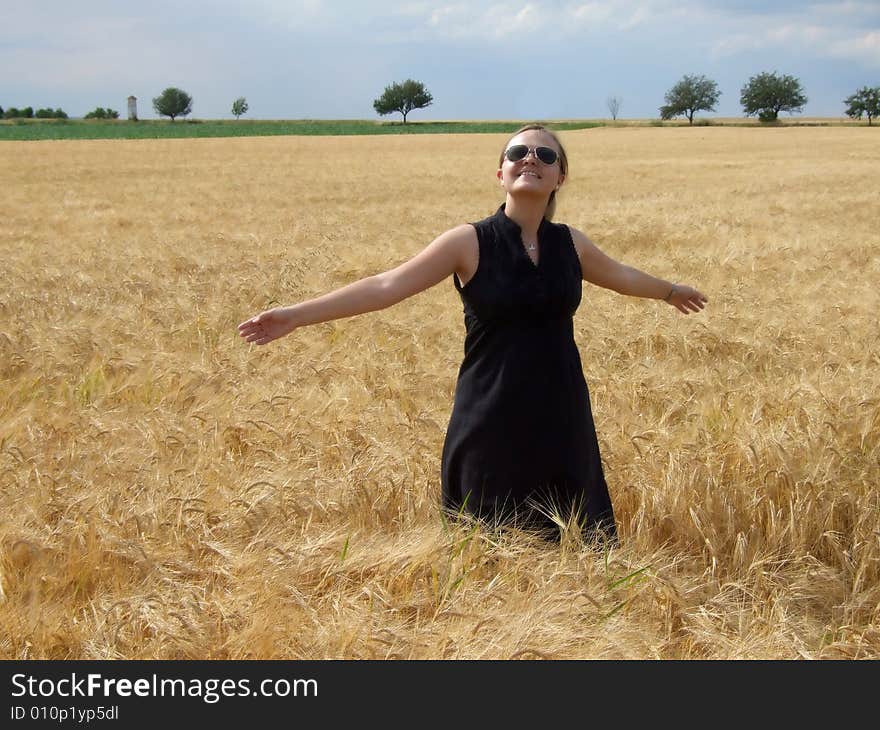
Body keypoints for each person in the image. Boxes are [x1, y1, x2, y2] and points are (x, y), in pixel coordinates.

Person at [237, 123, 708, 544]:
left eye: (546, 156)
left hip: (561, 413)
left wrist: (669, 291)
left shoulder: (571, 244)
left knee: (571, 544)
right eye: (518, 152)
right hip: (491, 416)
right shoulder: (469, 242)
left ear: (560, 177)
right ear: (500, 173)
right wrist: (297, 315)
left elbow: (622, 276)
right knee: (487, 544)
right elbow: (386, 286)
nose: (531, 159)